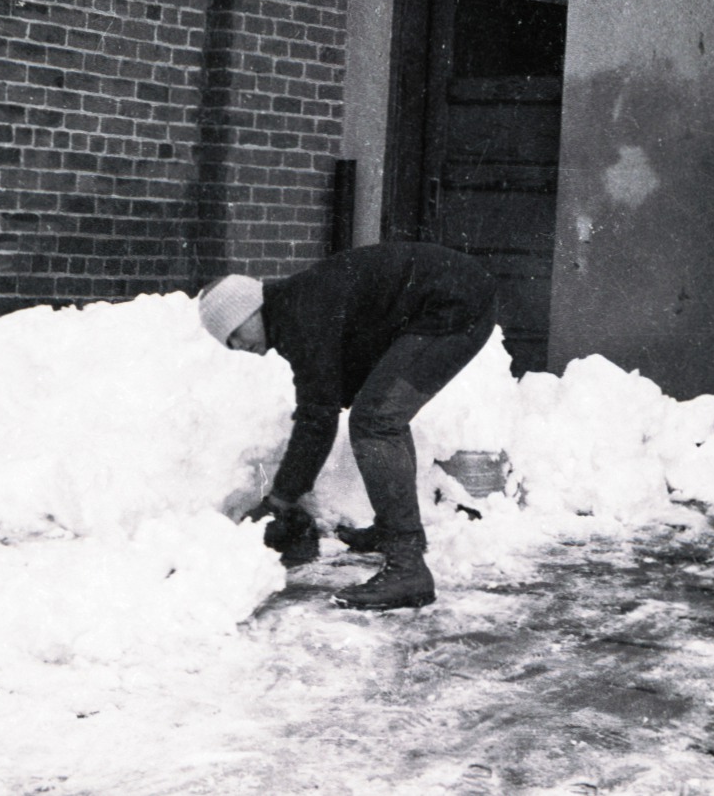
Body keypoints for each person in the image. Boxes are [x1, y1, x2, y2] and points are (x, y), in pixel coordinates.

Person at [197, 241, 498, 611]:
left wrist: (280, 499)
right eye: (228, 344)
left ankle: (407, 568)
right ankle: (396, 533)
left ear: (247, 310)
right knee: (379, 413)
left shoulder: (299, 315)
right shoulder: (294, 308)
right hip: (453, 293)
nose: (237, 346)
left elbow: (318, 417)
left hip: (453, 304)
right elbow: (330, 391)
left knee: (375, 421)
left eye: (233, 334)